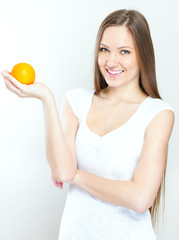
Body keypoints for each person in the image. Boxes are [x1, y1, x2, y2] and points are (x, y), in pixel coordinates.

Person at [1, 9, 175, 240]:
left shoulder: (158, 114)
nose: (111, 61)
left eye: (124, 51)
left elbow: (140, 198)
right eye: (104, 50)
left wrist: (76, 176)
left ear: (142, 55)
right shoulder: (76, 101)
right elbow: (61, 170)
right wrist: (46, 98)